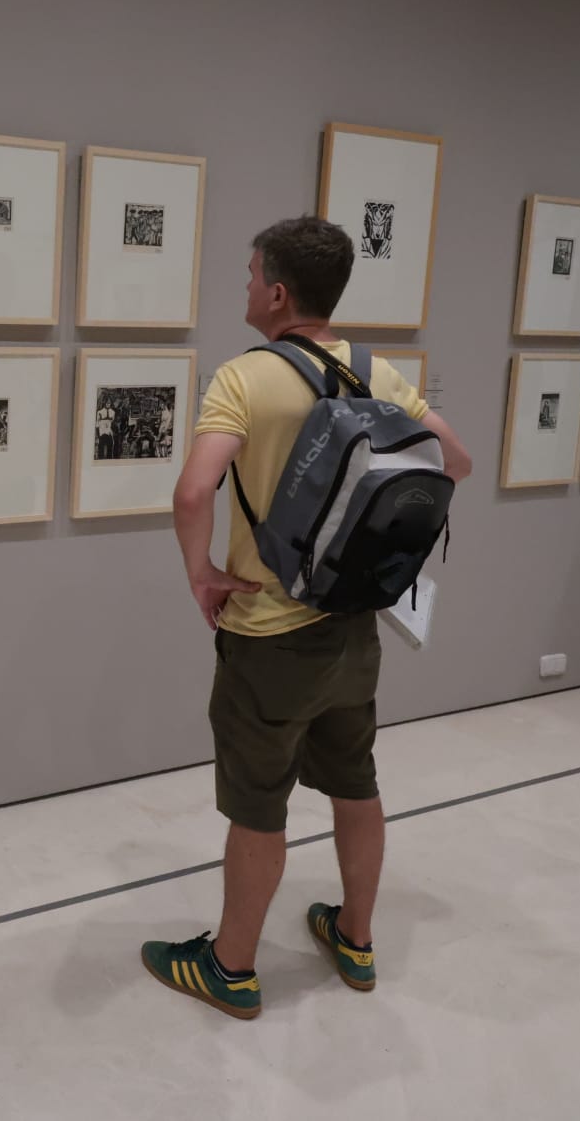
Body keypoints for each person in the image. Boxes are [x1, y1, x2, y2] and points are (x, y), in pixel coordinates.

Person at [141, 216, 472, 1020]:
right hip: (354, 627)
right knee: (356, 783)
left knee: (259, 804)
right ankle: (355, 939)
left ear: (278, 292)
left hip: (266, 635)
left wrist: (201, 576)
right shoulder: (377, 372)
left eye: (251, 273)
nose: (245, 286)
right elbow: (454, 463)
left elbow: (192, 492)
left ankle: (232, 965)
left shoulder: (243, 378)